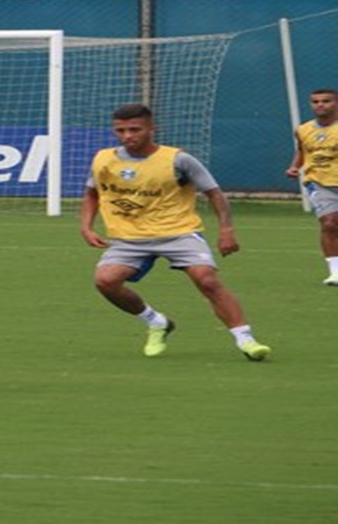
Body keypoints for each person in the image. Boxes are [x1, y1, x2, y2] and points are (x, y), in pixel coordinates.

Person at [80, 103, 271, 361]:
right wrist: (86, 226)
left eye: (134, 129)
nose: (127, 136)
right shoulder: (104, 158)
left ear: (151, 128)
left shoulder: (178, 159)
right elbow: (92, 192)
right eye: (120, 130)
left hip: (179, 233)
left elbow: (214, 194)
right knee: (105, 282)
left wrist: (226, 230)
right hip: (129, 238)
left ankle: (246, 340)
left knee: (207, 280)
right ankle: (156, 321)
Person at [286, 87, 338, 286]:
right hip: (319, 182)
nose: (320, 105)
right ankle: (335, 272)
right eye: (316, 102)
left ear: (336, 103)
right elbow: (302, 151)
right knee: (329, 223)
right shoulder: (303, 130)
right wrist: (294, 167)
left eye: (326, 101)